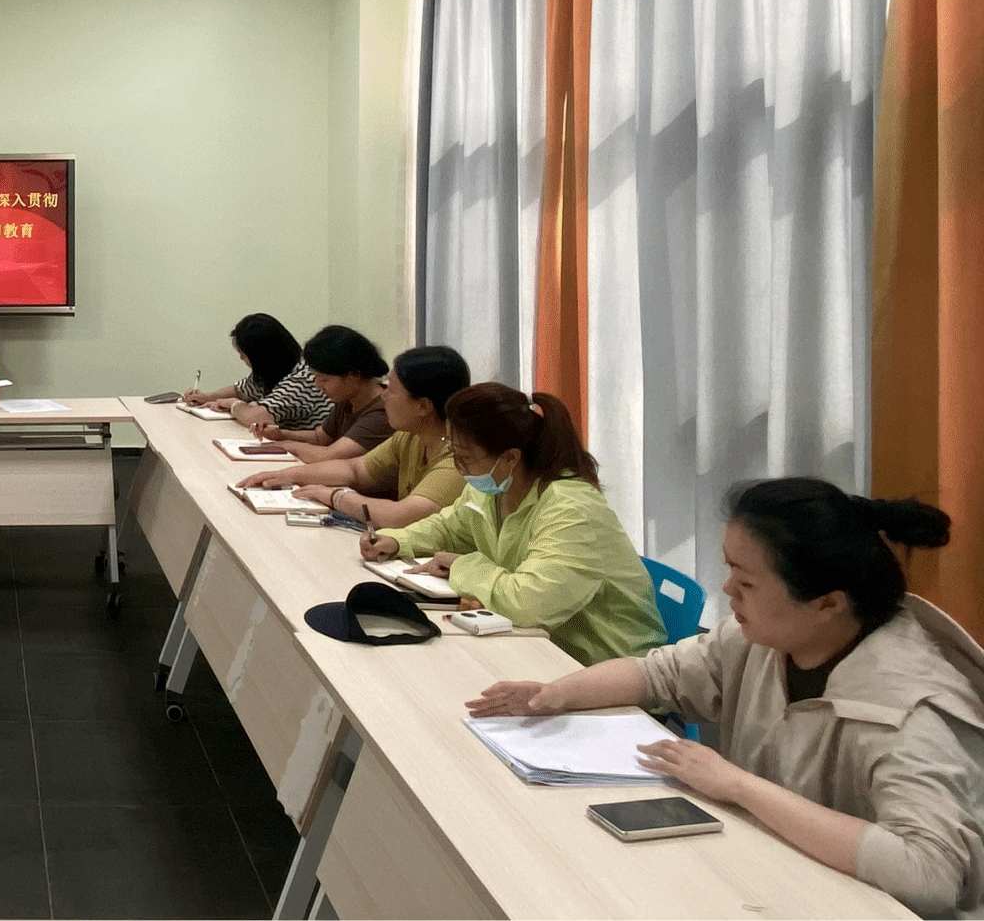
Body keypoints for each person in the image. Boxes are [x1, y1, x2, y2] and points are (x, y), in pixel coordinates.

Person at [469, 480, 982, 920]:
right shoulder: (765, 639)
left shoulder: (911, 711)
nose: (728, 590)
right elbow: (658, 673)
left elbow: (930, 874)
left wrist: (737, 785)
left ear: (827, 603)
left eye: (747, 580)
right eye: (729, 570)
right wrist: (554, 695)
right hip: (778, 880)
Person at [361, 382, 665, 666]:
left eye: (466, 458)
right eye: (454, 454)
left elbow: (529, 604)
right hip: (540, 649)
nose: (459, 468)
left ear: (510, 458)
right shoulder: (492, 488)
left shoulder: (572, 508)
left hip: (608, 669)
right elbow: (449, 527)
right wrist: (398, 541)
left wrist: (462, 566)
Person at [239, 345, 468, 529]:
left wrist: (336, 497)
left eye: (392, 390)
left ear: (422, 406)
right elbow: (354, 470)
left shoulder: (460, 458)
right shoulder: (410, 437)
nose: (384, 396)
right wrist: (284, 475)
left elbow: (401, 516)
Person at [246, 325, 395, 461]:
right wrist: (280, 434)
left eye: (324, 379)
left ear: (354, 374)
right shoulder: (348, 399)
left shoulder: (382, 413)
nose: (318, 386)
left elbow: (329, 455)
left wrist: (284, 445)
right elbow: (320, 437)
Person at [181, 314, 330, 433]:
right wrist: (206, 397)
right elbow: (241, 391)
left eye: (244, 354)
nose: (241, 358)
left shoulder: (303, 378)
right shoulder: (272, 370)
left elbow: (258, 417)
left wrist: (232, 404)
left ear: (261, 356)